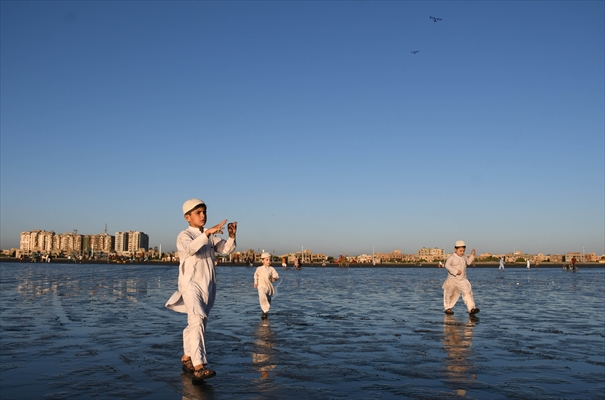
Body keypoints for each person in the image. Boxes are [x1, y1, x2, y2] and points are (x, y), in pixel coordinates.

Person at [165, 198, 237, 383]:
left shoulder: (210, 235)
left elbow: (226, 249)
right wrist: (208, 233)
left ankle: (187, 356)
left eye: (204, 212)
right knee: (197, 319)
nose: (203, 215)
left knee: (199, 323)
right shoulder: (184, 236)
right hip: (190, 285)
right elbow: (190, 249)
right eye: (198, 213)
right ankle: (199, 366)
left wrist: (231, 236)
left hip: (208, 286)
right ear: (187, 217)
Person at [442, 240, 480, 316]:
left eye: (463, 251)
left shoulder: (464, 257)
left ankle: (471, 309)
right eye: (460, 251)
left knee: (468, 292)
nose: (462, 252)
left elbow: (468, 262)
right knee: (449, 294)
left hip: (462, 280)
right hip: (452, 280)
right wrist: (455, 271)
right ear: (455, 249)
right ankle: (448, 308)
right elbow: (447, 265)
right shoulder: (452, 257)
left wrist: (472, 255)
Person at [254, 252, 279, 319]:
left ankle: (265, 312)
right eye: (266, 260)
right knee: (262, 296)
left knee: (268, 299)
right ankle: (265, 309)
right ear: (262, 260)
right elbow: (255, 275)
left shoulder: (271, 269)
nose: (269, 261)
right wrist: (255, 282)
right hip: (261, 286)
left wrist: (274, 279)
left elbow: (276, 275)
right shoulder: (259, 268)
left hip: (268, 287)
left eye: (270, 260)